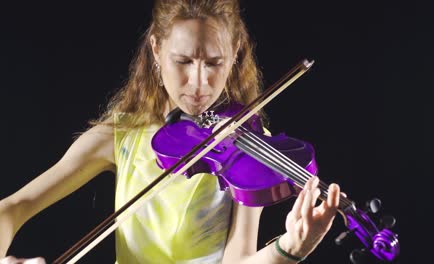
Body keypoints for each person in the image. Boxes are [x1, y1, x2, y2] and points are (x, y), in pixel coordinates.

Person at [0, 0, 342, 263]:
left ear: (235, 52)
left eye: (213, 63)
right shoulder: (120, 136)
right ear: (156, 50)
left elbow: (239, 259)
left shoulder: (249, 144)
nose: (198, 83)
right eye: (183, 62)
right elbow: (14, 207)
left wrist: (289, 248)